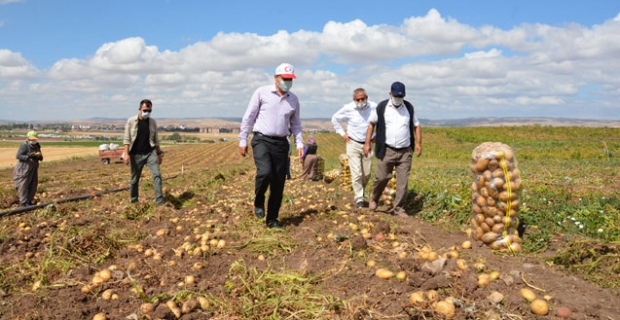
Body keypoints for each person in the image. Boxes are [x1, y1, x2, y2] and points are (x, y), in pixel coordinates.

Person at [238, 63, 304, 229]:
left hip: (281, 143)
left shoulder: (293, 99)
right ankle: (259, 199)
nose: (287, 82)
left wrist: (300, 143)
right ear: (276, 78)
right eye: (285, 79)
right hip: (262, 140)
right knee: (265, 172)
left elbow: (295, 124)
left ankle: (272, 219)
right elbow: (249, 117)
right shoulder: (262, 92)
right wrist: (243, 139)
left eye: (290, 79)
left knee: (278, 183)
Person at [363, 82, 422, 217]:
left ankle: (399, 209)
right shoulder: (382, 107)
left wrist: (418, 143)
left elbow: (416, 126)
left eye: (401, 96)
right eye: (396, 96)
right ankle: (374, 199)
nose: (398, 99)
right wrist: (367, 143)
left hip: (405, 151)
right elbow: (371, 124)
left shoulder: (408, 108)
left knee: (402, 182)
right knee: (382, 177)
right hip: (387, 149)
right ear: (390, 94)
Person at [331, 88, 377, 208]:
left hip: (368, 143)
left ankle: (360, 191)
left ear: (367, 98)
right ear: (354, 100)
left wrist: (376, 136)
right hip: (353, 143)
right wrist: (342, 133)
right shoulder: (348, 108)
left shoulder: (374, 107)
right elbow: (335, 118)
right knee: (356, 173)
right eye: (358, 99)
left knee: (366, 174)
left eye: (363, 99)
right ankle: (359, 199)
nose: (361, 101)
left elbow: (383, 121)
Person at [123, 99, 166, 205]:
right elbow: (127, 139)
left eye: (149, 111)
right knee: (134, 179)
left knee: (157, 175)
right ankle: (134, 201)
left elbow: (156, 139)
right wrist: (126, 154)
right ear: (139, 109)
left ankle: (159, 200)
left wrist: (159, 154)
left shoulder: (152, 122)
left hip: (150, 153)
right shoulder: (131, 121)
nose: (147, 112)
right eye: (145, 110)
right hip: (135, 154)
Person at [13, 131, 43, 207]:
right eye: (32, 139)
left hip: (33, 169)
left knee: (33, 184)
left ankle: (29, 201)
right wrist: (28, 156)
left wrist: (38, 157)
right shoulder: (24, 146)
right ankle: (23, 203)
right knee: (23, 184)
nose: (33, 141)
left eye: (35, 139)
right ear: (28, 138)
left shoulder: (37, 146)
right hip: (24, 168)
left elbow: (40, 156)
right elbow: (18, 156)